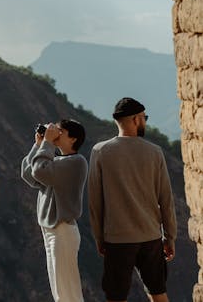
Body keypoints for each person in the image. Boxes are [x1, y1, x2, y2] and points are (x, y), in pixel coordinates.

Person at [88, 97, 177, 302]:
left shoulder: (100, 152)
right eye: (144, 118)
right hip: (151, 237)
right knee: (158, 293)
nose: (145, 121)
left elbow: (95, 202)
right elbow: (166, 199)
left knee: (116, 297)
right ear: (136, 119)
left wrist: (100, 238)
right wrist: (169, 237)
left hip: (117, 239)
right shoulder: (155, 152)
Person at [21, 119, 87, 302]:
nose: (55, 133)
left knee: (68, 293)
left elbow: (40, 172)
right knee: (60, 292)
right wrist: (39, 145)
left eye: (60, 131)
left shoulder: (76, 162)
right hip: (51, 231)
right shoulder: (56, 161)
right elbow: (28, 174)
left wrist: (48, 144)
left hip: (62, 231)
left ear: (73, 139)